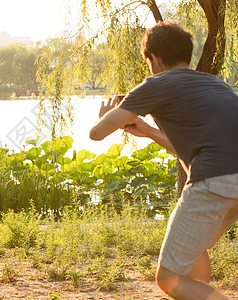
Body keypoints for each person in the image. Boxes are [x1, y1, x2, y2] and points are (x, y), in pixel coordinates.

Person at [89, 21, 238, 300]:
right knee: (193, 248)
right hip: (229, 178)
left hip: (214, 183)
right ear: (187, 54)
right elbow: (202, 151)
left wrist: (106, 115)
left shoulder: (154, 84)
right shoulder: (214, 83)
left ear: (154, 59)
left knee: (168, 278)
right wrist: (148, 132)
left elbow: (97, 134)